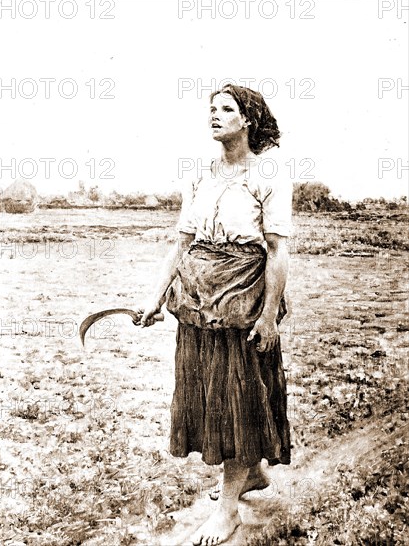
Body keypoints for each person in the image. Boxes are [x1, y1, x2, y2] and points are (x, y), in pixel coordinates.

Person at [139, 84, 292, 545]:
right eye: (211, 109)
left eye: (226, 109)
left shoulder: (268, 177)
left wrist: (267, 317)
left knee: (239, 399)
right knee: (210, 396)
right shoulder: (199, 177)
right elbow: (182, 243)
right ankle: (250, 477)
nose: (214, 115)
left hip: (243, 301)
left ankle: (228, 512)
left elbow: (277, 251)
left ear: (248, 120)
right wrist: (154, 296)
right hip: (198, 301)